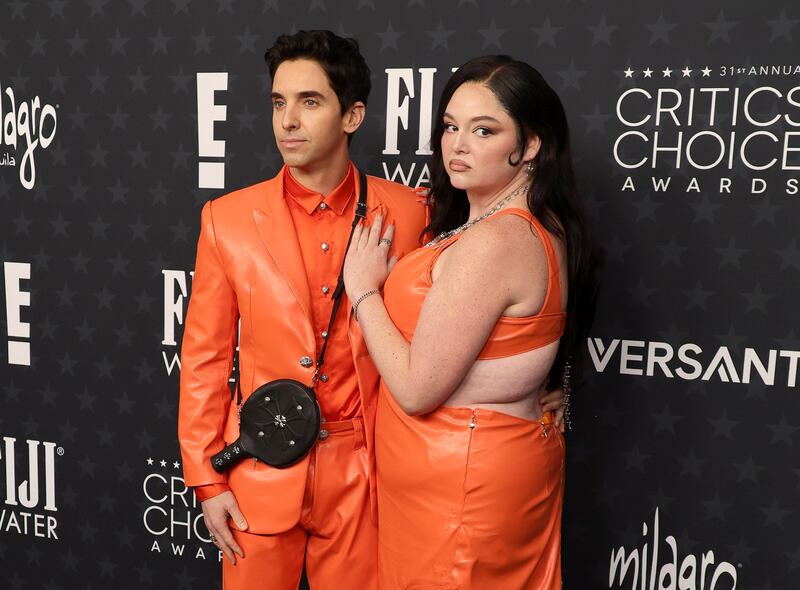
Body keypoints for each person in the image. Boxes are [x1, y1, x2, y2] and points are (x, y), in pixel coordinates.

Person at [343, 55, 600, 589]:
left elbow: (416, 389)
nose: (457, 145)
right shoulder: (519, 225)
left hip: (460, 489)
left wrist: (364, 289)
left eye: (483, 130)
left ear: (530, 146)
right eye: (451, 127)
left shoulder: (497, 241)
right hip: (460, 477)